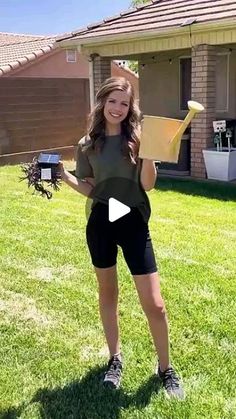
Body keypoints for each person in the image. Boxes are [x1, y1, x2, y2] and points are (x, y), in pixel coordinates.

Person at [60, 77, 184, 399]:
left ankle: (165, 368)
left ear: (130, 109)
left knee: (155, 305)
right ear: (102, 102)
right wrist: (65, 177)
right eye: (112, 101)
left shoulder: (140, 138)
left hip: (132, 222)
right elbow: (91, 188)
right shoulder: (87, 144)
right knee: (108, 295)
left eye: (124, 103)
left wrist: (148, 154)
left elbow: (148, 185)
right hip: (101, 220)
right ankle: (115, 359)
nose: (117, 108)